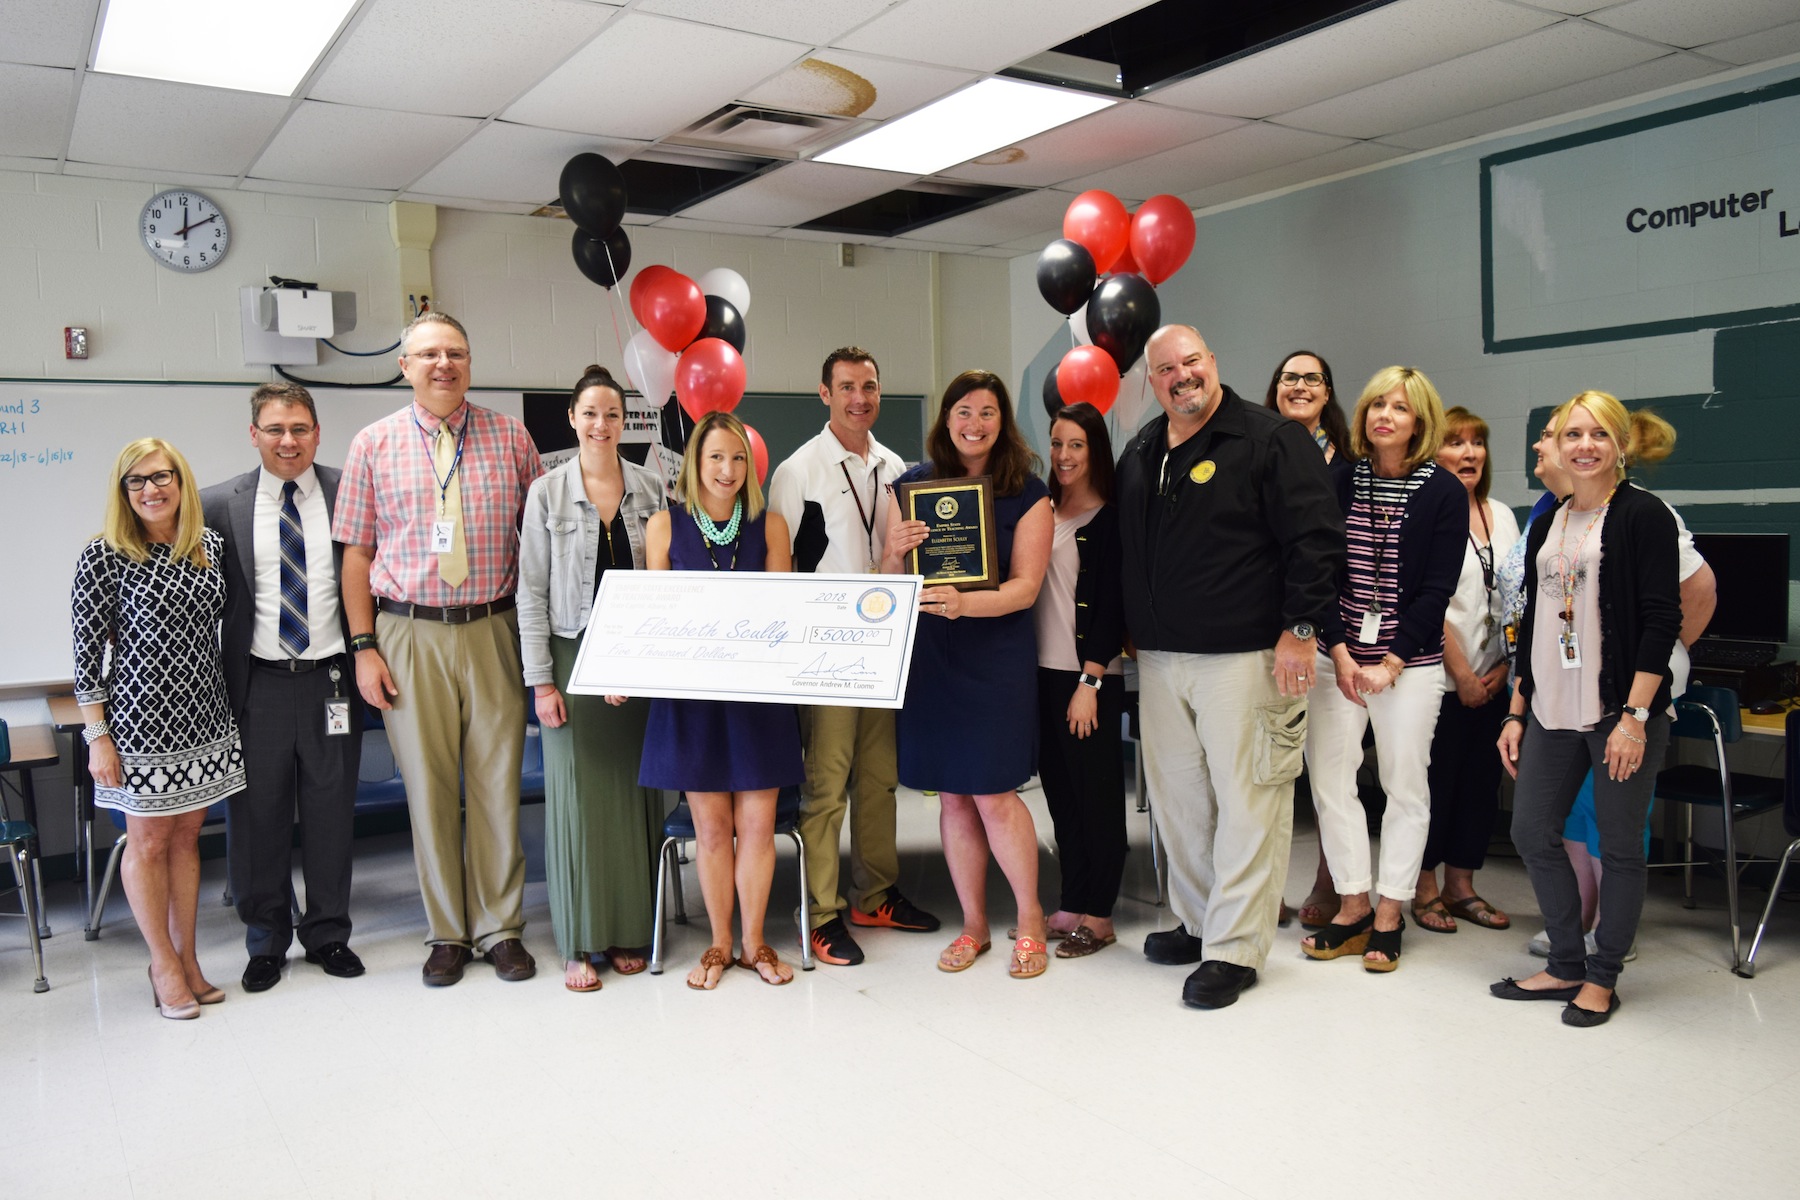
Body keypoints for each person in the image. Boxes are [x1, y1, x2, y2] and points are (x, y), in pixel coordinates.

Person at [1117, 325, 1343, 1008]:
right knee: (1180, 802)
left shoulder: (1271, 440)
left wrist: (1300, 630)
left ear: (1212, 363)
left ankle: (1236, 949)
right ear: (1151, 380)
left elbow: (1317, 539)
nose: (1181, 376)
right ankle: (1197, 922)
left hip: (1246, 657)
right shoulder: (1143, 449)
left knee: (1250, 803)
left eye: (1191, 362)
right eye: (1166, 369)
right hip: (1161, 660)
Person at [333, 311, 544, 986]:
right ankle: (448, 933)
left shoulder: (511, 438)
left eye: (455, 352)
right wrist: (363, 647)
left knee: (496, 784)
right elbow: (356, 555)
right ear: (406, 367)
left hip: (493, 626)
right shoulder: (373, 445)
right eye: (428, 354)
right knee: (427, 788)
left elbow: (538, 544)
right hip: (407, 631)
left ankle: (501, 929)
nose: (443, 364)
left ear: (470, 363)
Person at [1494, 390, 1682, 1027]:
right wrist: (1516, 710)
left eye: (1599, 434)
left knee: (1620, 847)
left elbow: (1661, 621)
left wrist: (1635, 718)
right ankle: (1565, 962)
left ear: (1621, 445)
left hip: (1616, 713)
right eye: (1572, 434)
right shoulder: (1551, 519)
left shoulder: (1643, 515)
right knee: (1530, 831)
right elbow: (1533, 622)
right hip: (1550, 709)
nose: (1583, 445)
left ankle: (1603, 977)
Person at [765, 346, 940, 969]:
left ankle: (876, 894)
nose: (859, 398)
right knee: (826, 785)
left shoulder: (896, 468)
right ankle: (819, 912)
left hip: (884, 645)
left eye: (868, 386)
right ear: (825, 394)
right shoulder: (798, 471)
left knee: (878, 778)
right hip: (825, 648)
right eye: (846, 387)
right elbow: (781, 569)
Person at [885, 371, 1053, 979]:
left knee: (994, 793)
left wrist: (964, 604)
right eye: (963, 411)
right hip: (932, 658)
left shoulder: (1028, 491)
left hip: (994, 656)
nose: (974, 424)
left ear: (1002, 422)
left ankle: (1030, 920)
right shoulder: (911, 486)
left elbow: (1026, 588)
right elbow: (890, 585)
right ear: (946, 418)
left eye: (987, 412)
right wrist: (893, 551)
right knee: (953, 796)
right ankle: (974, 926)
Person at [73, 438, 247, 1019]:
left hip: (206, 718)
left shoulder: (209, 546)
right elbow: (86, 656)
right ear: (123, 492)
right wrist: (97, 737)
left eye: (161, 476)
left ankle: (189, 959)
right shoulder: (103, 555)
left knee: (185, 840)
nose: (151, 489)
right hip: (139, 728)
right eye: (137, 481)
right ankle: (162, 964)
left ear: (181, 480)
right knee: (147, 843)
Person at [201, 382, 363, 994]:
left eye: (299, 428)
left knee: (331, 812)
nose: (288, 440)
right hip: (258, 685)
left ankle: (327, 934)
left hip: (332, 681)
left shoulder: (351, 491)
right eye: (275, 429)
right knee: (257, 818)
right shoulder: (219, 505)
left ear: (317, 433)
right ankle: (265, 940)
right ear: (254, 435)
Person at [1300, 367, 1463, 973]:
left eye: (1398, 407)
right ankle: (1353, 906)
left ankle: (1391, 912)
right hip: (1337, 656)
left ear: (1419, 421)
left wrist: (1391, 663)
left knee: (1404, 785)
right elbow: (1319, 571)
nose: (1383, 416)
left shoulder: (1443, 492)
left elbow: (1437, 590)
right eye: (1375, 406)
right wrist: (1342, 652)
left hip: (1410, 663)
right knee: (1330, 781)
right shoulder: (1341, 480)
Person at [637, 411, 803, 990]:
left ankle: (755, 943)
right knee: (710, 830)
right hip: (693, 701)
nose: (727, 469)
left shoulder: (772, 526)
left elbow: (782, 614)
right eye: (715, 457)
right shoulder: (663, 526)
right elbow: (654, 618)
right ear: (695, 462)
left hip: (758, 697)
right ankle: (719, 943)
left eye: (737, 458)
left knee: (757, 826)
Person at [517, 365, 668, 992]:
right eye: (590, 414)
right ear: (572, 420)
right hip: (572, 658)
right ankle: (579, 940)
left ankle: (631, 929)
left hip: (635, 659)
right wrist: (541, 682)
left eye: (612, 414)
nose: (601, 424)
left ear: (624, 421)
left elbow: (667, 584)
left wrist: (650, 662)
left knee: (636, 799)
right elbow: (530, 592)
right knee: (579, 801)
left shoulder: (652, 488)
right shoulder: (546, 494)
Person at [1412, 406, 1519, 934]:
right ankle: (1424, 888)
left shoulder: (1503, 514)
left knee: (1480, 786)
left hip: (1494, 678)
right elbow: (1425, 600)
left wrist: (1503, 668)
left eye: (1477, 442)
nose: (1470, 452)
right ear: (1432, 451)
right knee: (1435, 786)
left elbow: (1515, 598)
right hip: (1439, 677)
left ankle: (1461, 886)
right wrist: (1463, 675)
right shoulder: (1425, 511)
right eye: (1455, 442)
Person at [1031, 402, 1127, 958]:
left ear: (1095, 451)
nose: (1064, 456)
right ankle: (1072, 900)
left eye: (1076, 445)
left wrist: (1090, 683)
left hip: (1088, 680)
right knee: (1062, 797)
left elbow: (1111, 607)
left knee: (1097, 799)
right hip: (1043, 675)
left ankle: (1101, 914)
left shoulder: (1109, 517)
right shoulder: (1042, 509)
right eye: (1057, 443)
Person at [1263, 349, 1349, 928]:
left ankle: (1329, 880)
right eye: (1289, 377)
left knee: (1327, 773)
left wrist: (1323, 633)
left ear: (1327, 392)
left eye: (1311, 378)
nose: (1299, 386)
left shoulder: (1349, 467)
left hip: (1329, 634)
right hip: (1263, 632)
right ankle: (1263, 889)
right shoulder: (1254, 452)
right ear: (1275, 388)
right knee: (1267, 771)